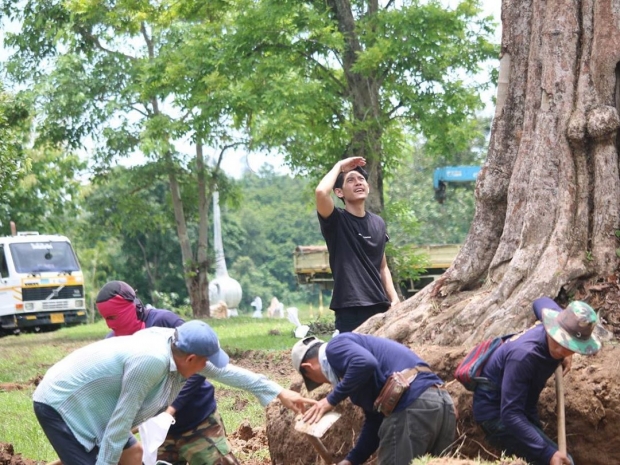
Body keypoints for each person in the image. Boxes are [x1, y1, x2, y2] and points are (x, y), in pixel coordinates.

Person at [95, 280, 315, 465]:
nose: (109, 325)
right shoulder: (114, 345)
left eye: (113, 317)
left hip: (196, 419)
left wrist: (170, 410)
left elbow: (201, 368)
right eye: (105, 318)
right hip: (156, 432)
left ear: (134, 306)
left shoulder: (164, 323)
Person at [33, 320, 229, 465]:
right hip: (61, 405)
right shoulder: (152, 361)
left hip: (93, 410)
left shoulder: (170, 344)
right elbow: (121, 422)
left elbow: (223, 371)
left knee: (134, 454)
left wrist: (259, 387)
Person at [473, 297, 602, 465]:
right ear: (553, 328)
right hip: (496, 414)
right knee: (562, 461)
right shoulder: (524, 356)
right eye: (562, 342)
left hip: (523, 407)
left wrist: (565, 354)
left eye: (571, 346)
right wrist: (548, 454)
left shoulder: (559, 321)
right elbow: (510, 414)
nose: (564, 349)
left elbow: (540, 301)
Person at [292, 333, 456, 465]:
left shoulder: (335, 347)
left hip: (411, 406)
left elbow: (365, 363)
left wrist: (330, 400)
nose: (325, 383)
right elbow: (375, 421)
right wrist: (351, 461)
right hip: (442, 404)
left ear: (308, 367)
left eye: (316, 380)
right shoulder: (358, 378)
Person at [315, 157, 399, 333]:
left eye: (361, 179)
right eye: (350, 180)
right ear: (339, 192)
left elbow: (382, 266)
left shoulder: (378, 223)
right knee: (355, 359)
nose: (358, 183)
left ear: (368, 187)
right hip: (350, 308)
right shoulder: (336, 221)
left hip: (380, 305)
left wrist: (394, 299)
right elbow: (321, 192)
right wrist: (339, 165)